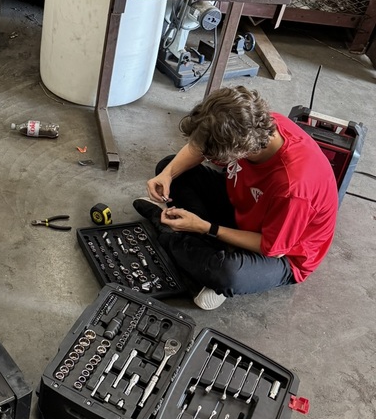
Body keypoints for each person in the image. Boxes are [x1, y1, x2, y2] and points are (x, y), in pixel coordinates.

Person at [133, 86, 338, 311]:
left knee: (227, 274)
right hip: (242, 206)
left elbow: (271, 247)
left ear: (241, 150)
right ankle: (199, 252)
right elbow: (199, 148)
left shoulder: (294, 188)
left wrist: (205, 227)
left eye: (212, 155)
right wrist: (168, 174)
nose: (206, 156)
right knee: (171, 167)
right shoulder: (255, 125)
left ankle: (166, 231)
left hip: (283, 253)